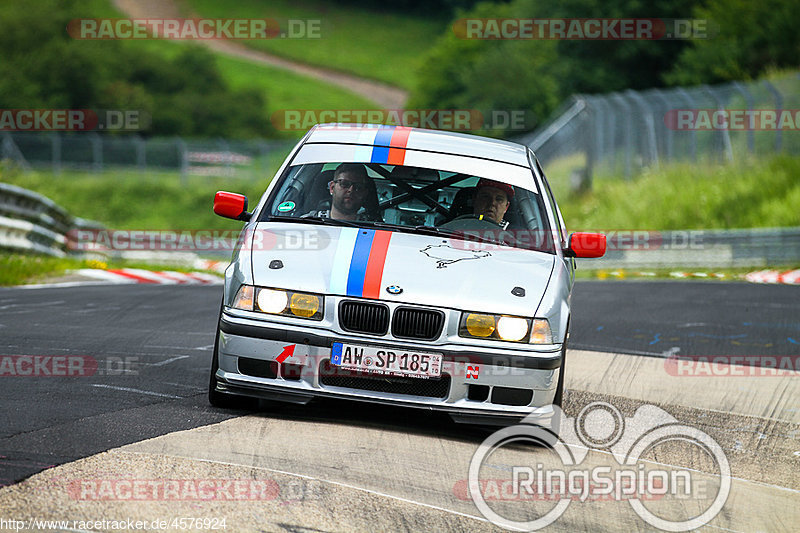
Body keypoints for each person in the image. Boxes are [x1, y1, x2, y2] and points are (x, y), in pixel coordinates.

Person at [304, 164, 376, 221]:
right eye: (344, 184)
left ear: (365, 193)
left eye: (358, 187)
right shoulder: (306, 222)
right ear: (332, 188)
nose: (351, 190)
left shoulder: (375, 229)